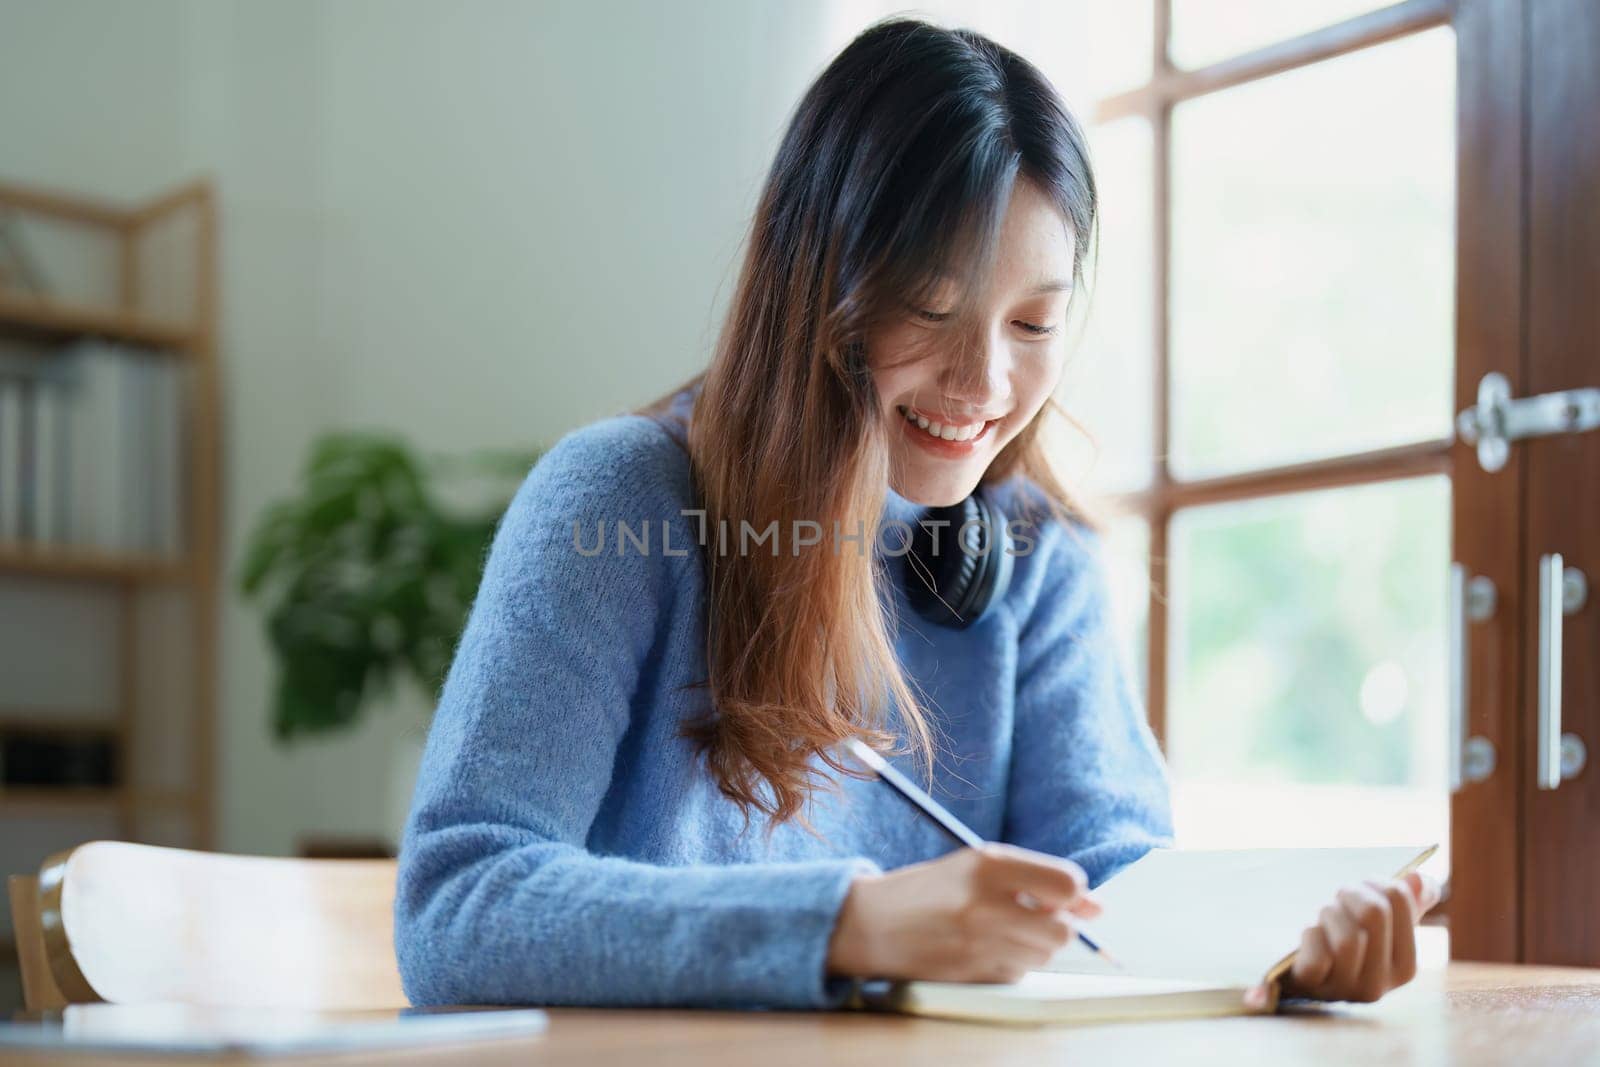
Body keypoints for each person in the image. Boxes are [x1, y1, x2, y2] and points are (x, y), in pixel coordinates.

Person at [393, 16, 1440, 1011]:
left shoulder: (1032, 549)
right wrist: (848, 923)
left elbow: (1117, 893)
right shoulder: (618, 499)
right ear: (817, 289)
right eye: (931, 310)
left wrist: (1271, 953)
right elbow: (455, 903)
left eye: (1034, 320)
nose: (982, 379)